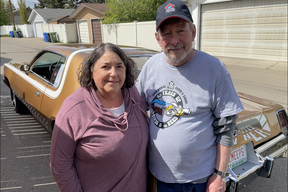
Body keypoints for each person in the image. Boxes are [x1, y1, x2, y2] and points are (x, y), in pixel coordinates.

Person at [136, 0, 244, 192]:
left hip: (201, 180)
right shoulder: (150, 67)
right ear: (158, 38)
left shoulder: (214, 69)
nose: (174, 40)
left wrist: (220, 175)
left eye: (181, 31)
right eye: (166, 33)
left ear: (193, 32)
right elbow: (134, 109)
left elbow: (226, 129)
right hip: (160, 177)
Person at [50, 43, 149, 192]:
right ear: (91, 71)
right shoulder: (73, 109)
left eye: (119, 66)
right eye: (106, 67)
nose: (114, 73)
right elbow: (60, 164)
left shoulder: (134, 96)